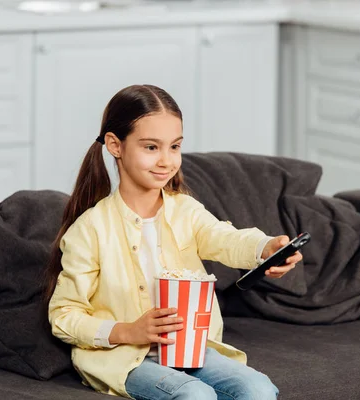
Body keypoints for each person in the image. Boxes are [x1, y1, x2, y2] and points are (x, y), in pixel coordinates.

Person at [44, 84, 302, 399]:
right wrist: (128, 331)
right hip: (123, 358)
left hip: (188, 350)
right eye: (151, 147)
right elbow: (64, 315)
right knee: (194, 396)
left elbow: (224, 238)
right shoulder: (91, 229)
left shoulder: (186, 211)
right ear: (115, 145)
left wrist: (266, 248)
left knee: (259, 389)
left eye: (175, 147)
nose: (166, 161)